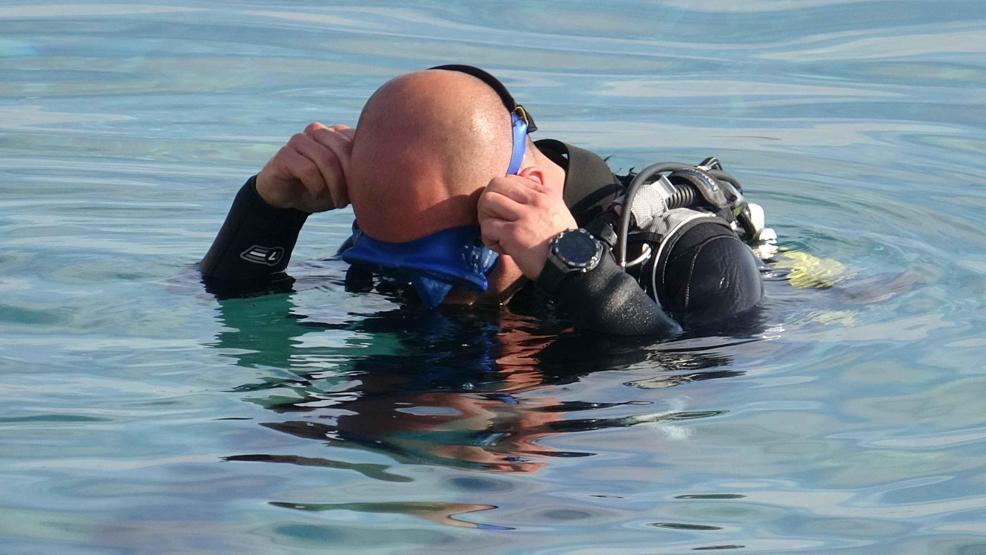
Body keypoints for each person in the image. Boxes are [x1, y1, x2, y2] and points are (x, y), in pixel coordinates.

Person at [201, 65, 765, 336]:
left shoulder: (693, 260)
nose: (434, 296)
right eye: (402, 265)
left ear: (528, 193)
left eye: (453, 267)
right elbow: (230, 306)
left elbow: (690, 405)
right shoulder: (412, 234)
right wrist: (269, 209)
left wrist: (578, 269)